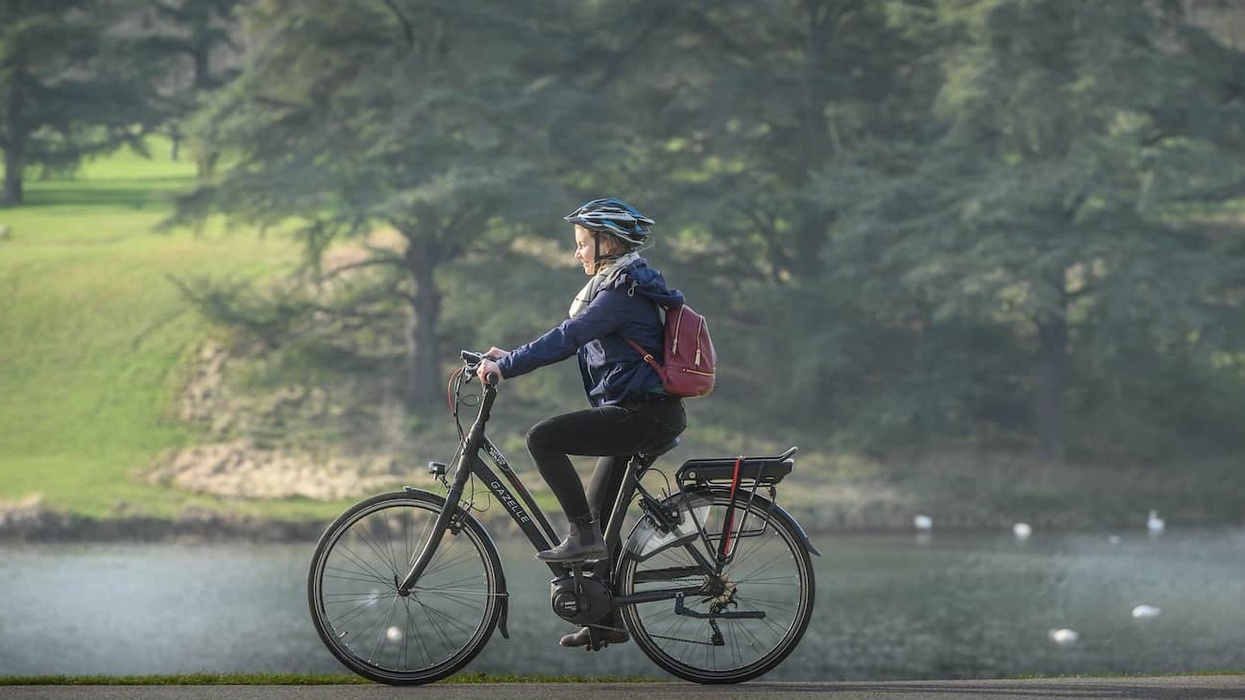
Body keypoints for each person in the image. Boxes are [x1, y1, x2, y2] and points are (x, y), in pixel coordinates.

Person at [476, 197, 687, 648]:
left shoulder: (621, 292)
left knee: (543, 438)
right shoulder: (619, 287)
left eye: (581, 244)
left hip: (640, 416)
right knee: (596, 517)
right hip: (642, 414)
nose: (577, 253)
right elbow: (567, 332)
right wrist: (505, 356)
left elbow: (569, 337)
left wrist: (508, 366)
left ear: (605, 242)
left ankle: (584, 542)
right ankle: (605, 622)